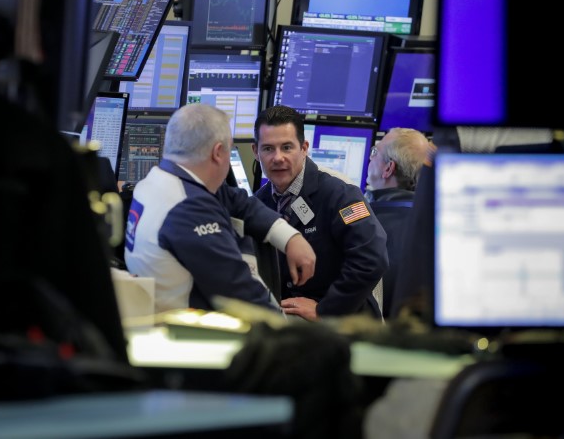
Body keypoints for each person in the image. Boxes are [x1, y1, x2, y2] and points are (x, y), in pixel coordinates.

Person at [124, 103, 316, 313]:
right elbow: (240, 292)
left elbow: (236, 199)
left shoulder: (157, 181)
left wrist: (289, 237)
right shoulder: (189, 208)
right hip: (191, 332)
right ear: (218, 152)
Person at [252, 105, 388, 321]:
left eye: (287, 147)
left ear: (304, 148)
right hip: (288, 321)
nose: (278, 158)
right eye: (268, 149)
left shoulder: (340, 194)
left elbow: (372, 260)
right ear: (256, 152)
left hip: (345, 319)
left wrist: (326, 309)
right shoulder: (259, 203)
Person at [364, 127, 435, 316]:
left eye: (375, 153)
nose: (370, 159)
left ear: (388, 169)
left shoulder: (364, 223)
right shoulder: (434, 221)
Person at [364, 127, 435, 203]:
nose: (371, 157)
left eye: (375, 152)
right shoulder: (430, 209)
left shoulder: (370, 212)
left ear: (388, 169)